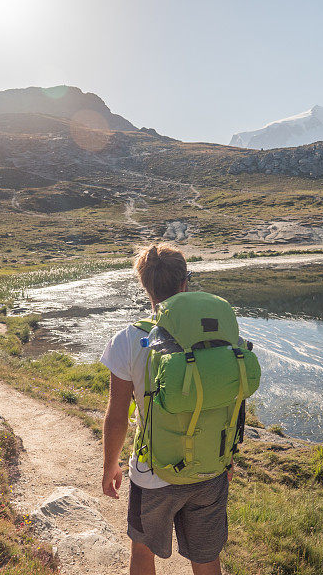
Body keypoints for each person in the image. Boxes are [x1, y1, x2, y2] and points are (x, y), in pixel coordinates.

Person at [100, 243, 232, 575]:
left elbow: (117, 416)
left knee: (143, 553)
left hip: (152, 473)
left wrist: (110, 466)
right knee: (207, 560)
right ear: (185, 283)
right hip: (210, 468)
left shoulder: (128, 340)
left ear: (146, 287)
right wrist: (227, 456)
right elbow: (227, 399)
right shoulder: (217, 334)